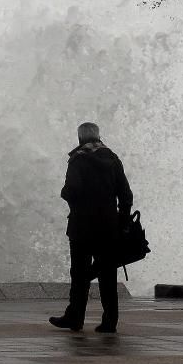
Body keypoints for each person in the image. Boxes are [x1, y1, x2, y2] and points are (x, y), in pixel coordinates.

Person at [50, 122, 133, 334]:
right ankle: (109, 322)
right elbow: (126, 195)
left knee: (79, 273)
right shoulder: (112, 159)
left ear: (80, 138)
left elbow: (71, 190)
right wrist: (121, 221)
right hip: (108, 228)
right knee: (107, 275)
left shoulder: (78, 159)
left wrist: (66, 194)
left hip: (82, 228)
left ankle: (75, 318)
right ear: (98, 136)